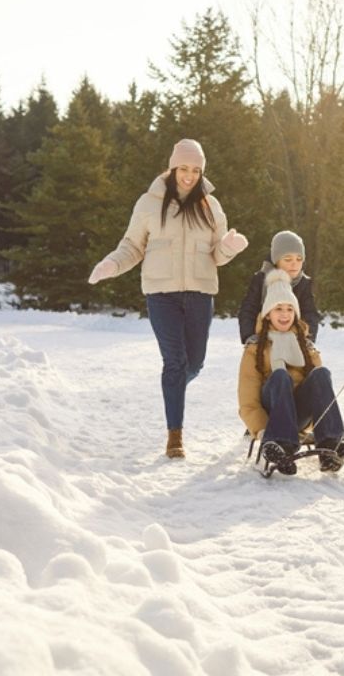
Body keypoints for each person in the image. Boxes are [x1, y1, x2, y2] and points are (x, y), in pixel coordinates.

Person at [88, 138, 249, 459]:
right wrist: (111, 264)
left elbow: (217, 254)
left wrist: (229, 248)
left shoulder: (211, 206)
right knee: (174, 363)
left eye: (196, 170)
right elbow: (132, 246)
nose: (189, 176)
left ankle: (172, 386)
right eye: (183, 169)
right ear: (173, 167)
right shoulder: (149, 203)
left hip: (200, 293)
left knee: (195, 363)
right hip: (161, 295)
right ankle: (174, 436)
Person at [238, 269, 344, 475]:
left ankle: (331, 445)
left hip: (297, 416)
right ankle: (281, 444)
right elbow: (247, 402)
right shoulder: (254, 348)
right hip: (272, 417)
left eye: (290, 309)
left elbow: (321, 394)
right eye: (278, 308)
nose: (284, 314)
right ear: (268, 314)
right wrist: (262, 431)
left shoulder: (305, 346)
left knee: (321, 374)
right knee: (280, 376)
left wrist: (314, 429)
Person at [237, 230, 321, 344]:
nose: (294, 264)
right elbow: (248, 310)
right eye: (288, 259)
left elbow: (310, 314)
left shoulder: (303, 283)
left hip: (293, 339)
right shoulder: (261, 280)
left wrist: (308, 339)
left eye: (299, 259)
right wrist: (249, 335)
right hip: (263, 338)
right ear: (276, 260)